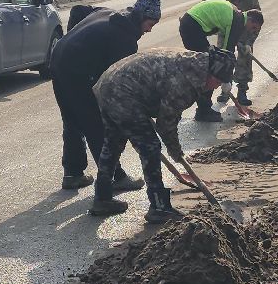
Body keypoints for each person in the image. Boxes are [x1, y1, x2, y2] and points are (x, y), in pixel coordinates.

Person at [90, 48, 235, 223]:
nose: (217, 86)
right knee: (150, 147)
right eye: (218, 81)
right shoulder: (184, 82)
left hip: (109, 84)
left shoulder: (193, 62)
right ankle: (159, 207)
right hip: (122, 91)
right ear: (211, 74)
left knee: (113, 142)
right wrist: (176, 153)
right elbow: (166, 124)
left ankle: (102, 198)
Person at [48, 0, 161, 190]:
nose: (150, 30)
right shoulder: (125, 39)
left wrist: (72, 39)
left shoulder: (109, 13)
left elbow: (78, 10)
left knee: (72, 118)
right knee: (95, 123)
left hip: (59, 58)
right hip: (77, 70)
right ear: (142, 17)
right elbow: (121, 81)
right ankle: (116, 177)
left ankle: (73, 174)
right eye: (150, 24)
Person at [178, 0, 264, 121]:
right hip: (192, 28)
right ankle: (203, 111)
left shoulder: (236, 15)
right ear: (250, 20)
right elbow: (226, 55)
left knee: (210, 64)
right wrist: (226, 80)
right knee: (210, 69)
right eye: (254, 27)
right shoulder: (238, 22)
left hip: (191, 25)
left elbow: (225, 46)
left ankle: (203, 109)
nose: (252, 31)